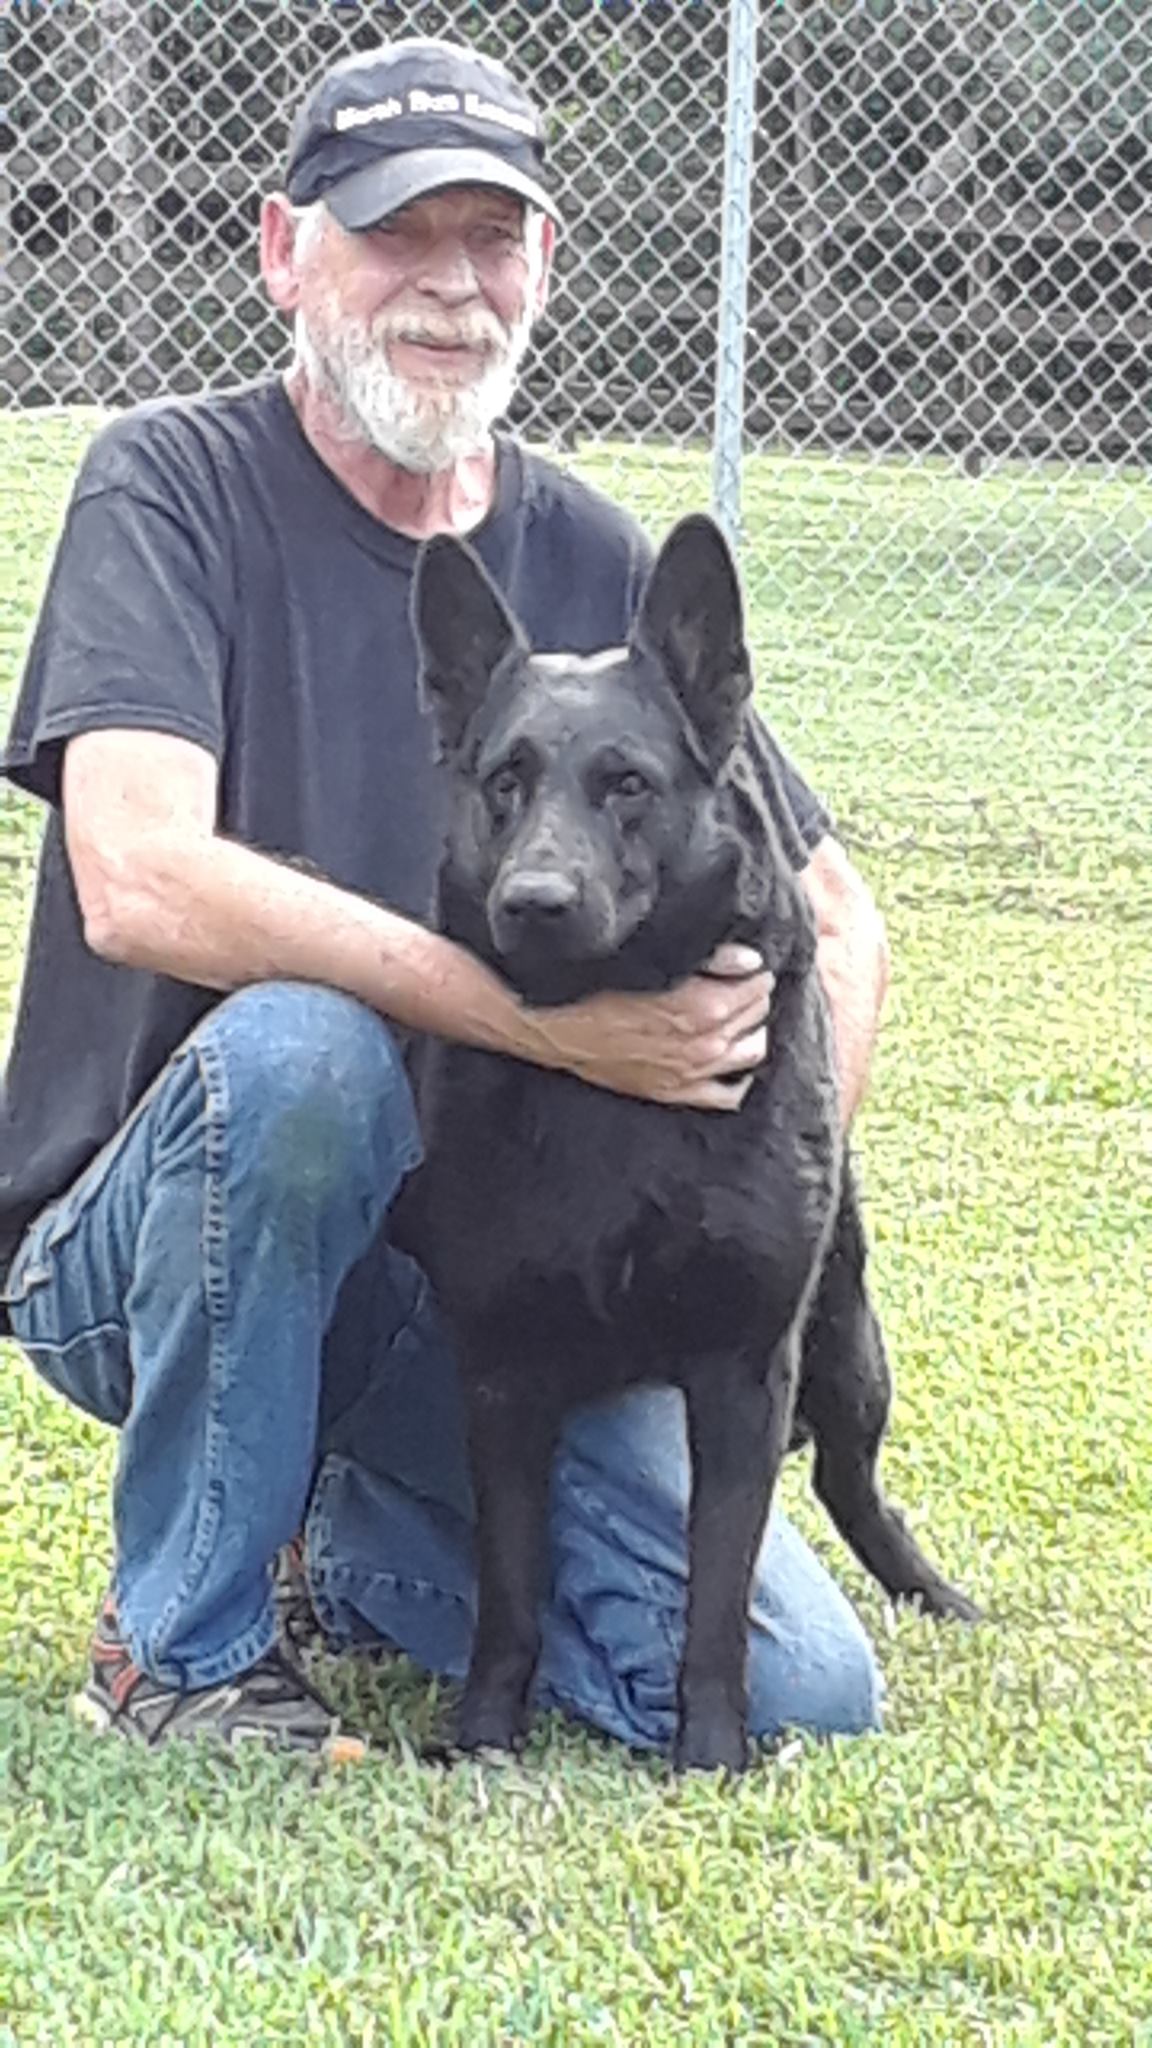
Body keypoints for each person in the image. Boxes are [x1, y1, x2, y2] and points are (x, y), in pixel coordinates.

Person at [0, 38, 889, 1760]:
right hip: (161, 1237)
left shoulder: (600, 563)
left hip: (475, 1274)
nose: (451, 287)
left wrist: (755, 1199)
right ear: (285, 251)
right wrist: (548, 1025)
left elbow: (838, 917)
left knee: (803, 1692)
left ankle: (353, 1528)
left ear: (542, 271)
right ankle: (177, 1648)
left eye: (493, 241)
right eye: (400, 237)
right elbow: (136, 873)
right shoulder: (167, 489)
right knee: (306, 1061)